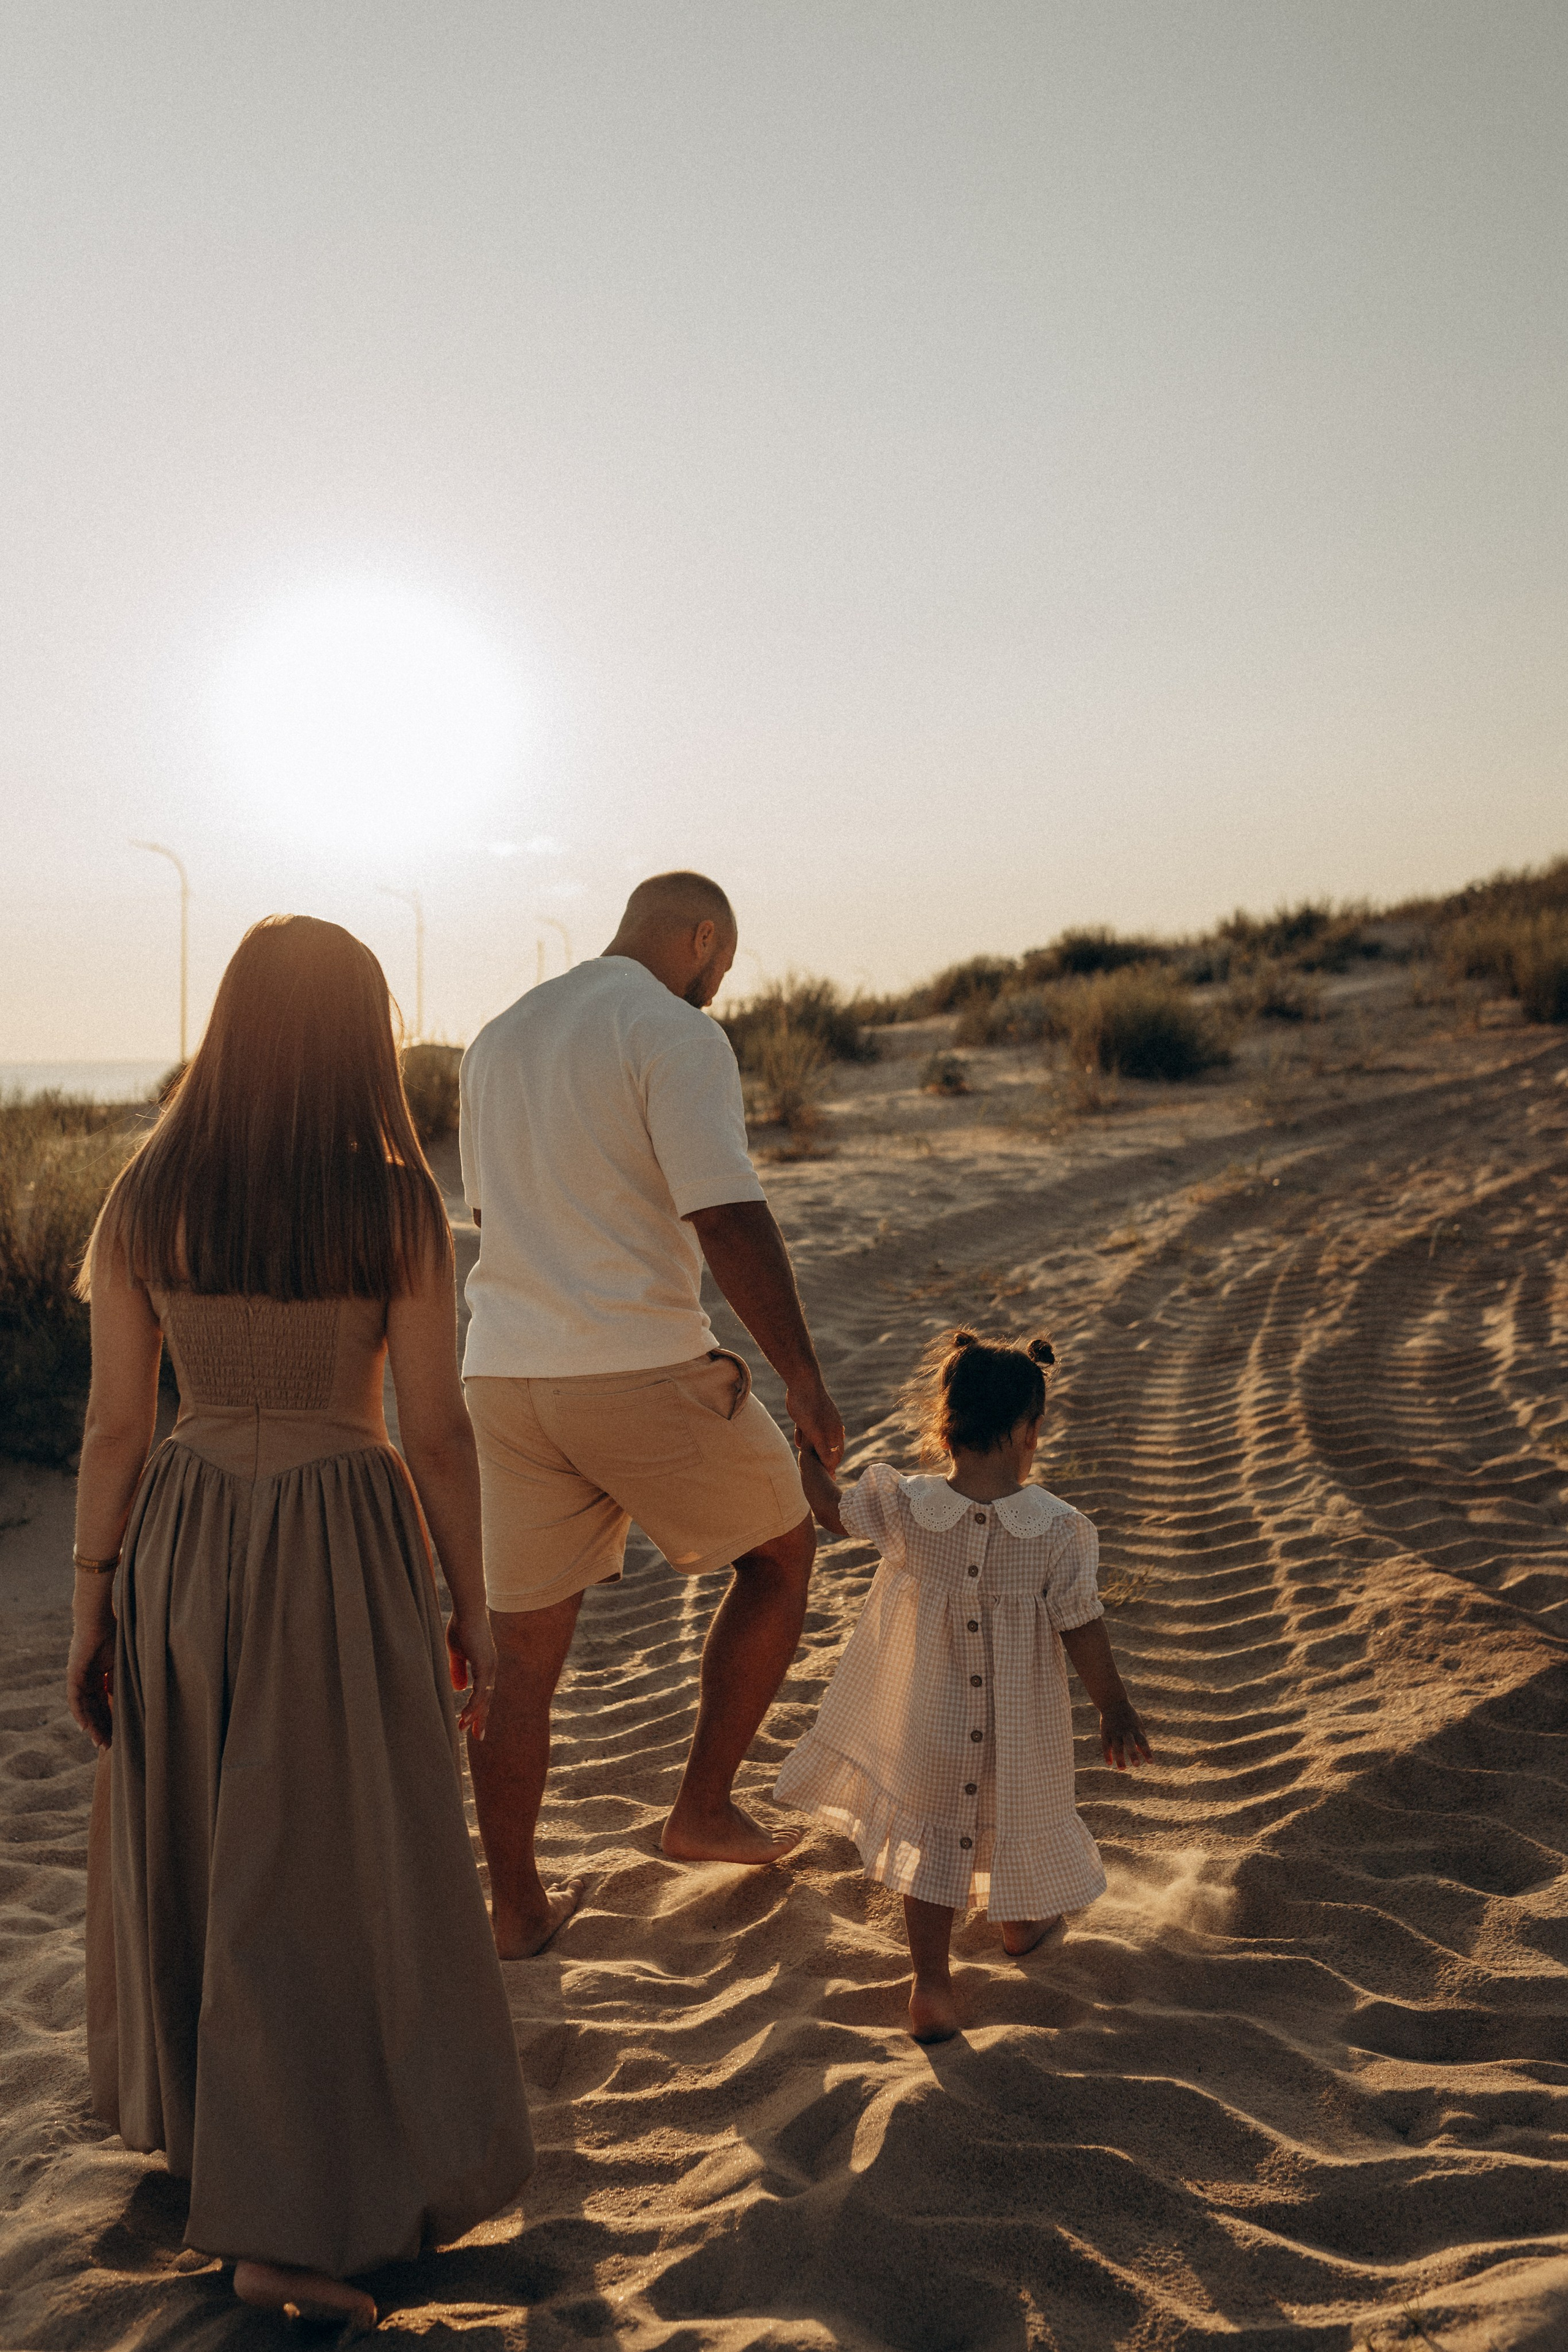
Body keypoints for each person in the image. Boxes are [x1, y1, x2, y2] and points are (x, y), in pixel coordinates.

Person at [67, 916, 533, 2332]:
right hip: (343, 1532)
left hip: (190, 1530)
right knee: (334, 1863)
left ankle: (239, 2167)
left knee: (215, 1844)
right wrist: (473, 1599)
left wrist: (92, 1603)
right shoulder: (395, 1203)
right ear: (358, 1038)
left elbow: (116, 1425)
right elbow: (438, 1433)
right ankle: (283, 2224)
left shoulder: (148, 1188)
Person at [459, 870, 844, 1955]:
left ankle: (518, 1909)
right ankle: (703, 1810)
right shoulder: (674, 1030)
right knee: (779, 1552)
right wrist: (804, 1380)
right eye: (723, 963)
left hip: (503, 1374)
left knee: (519, 1656)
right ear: (702, 939)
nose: (721, 983)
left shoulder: (499, 1034)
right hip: (633, 1366)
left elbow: (497, 1213)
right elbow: (723, 1211)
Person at [775, 1327, 1152, 2043]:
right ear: (1029, 1430)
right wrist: (1115, 1707)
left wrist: (804, 1453)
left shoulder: (906, 1503)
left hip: (930, 1720)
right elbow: (1080, 1623)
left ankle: (932, 1986)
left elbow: (829, 1508)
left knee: (932, 1844)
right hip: (1018, 1730)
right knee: (1009, 1821)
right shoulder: (1059, 1531)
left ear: (943, 1422)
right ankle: (1017, 1923)